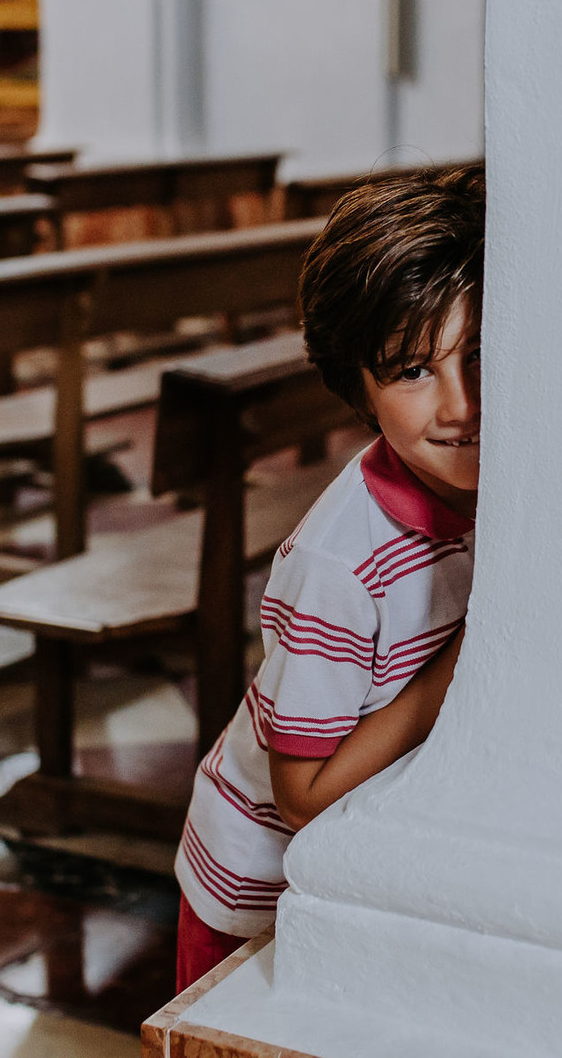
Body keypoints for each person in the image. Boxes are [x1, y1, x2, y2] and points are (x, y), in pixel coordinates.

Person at [173, 167, 484, 991]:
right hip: (252, 905)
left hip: (353, 873)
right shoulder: (339, 568)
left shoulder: (499, 491)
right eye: (413, 371)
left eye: (481, 354)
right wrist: (463, 664)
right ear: (361, 389)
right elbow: (301, 797)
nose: (463, 403)